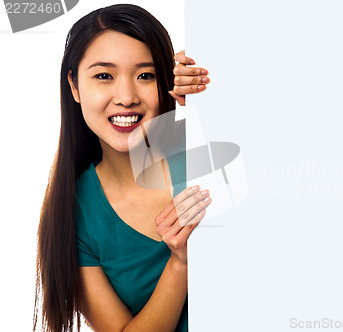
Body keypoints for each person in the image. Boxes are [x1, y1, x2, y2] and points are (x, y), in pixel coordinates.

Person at [34, 4, 211, 332]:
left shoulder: (205, 146)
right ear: (74, 85)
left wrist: (217, 95)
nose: (127, 97)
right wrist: (180, 262)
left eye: (146, 75)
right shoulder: (73, 213)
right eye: (104, 76)